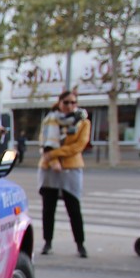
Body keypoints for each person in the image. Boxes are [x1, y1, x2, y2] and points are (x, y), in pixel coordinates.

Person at [39, 89, 90, 258]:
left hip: (70, 168)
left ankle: (80, 244)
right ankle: (47, 242)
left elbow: (79, 146)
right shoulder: (49, 120)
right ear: (59, 102)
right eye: (66, 102)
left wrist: (54, 154)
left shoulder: (83, 122)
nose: (69, 106)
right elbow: (43, 141)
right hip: (49, 168)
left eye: (73, 102)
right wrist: (52, 160)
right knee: (48, 208)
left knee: (73, 208)